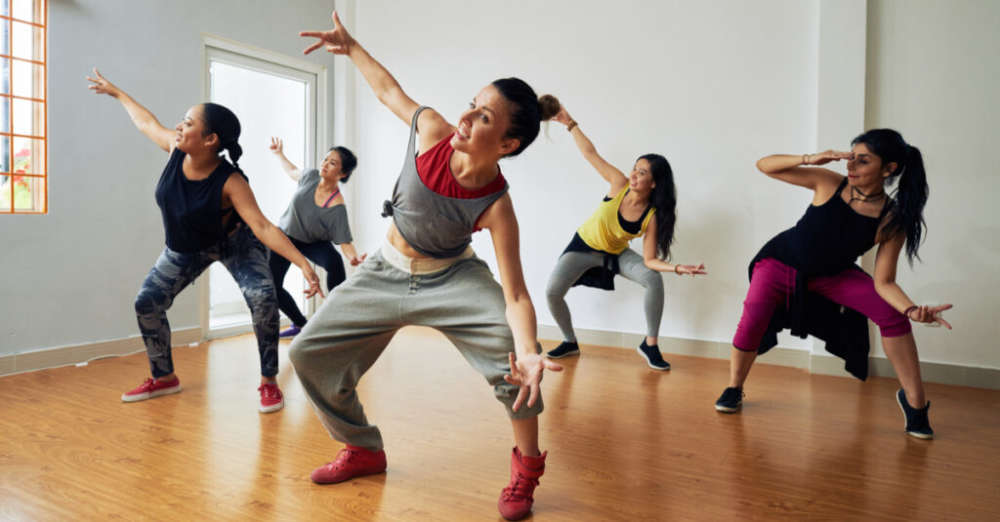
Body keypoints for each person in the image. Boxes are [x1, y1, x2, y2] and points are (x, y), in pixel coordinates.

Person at [289, 12, 562, 520]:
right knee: (307, 352)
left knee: (517, 370)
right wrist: (351, 49)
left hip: (452, 277)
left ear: (507, 145)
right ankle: (363, 448)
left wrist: (528, 349)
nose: (466, 118)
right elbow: (389, 91)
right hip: (386, 269)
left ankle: (527, 467)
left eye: (484, 118)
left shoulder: (497, 203)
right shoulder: (433, 130)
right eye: (472, 106)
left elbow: (517, 294)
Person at [87, 69, 322, 413]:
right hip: (185, 248)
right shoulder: (175, 151)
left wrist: (303, 263)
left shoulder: (230, 181)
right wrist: (118, 93)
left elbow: (261, 225)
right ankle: (164, 377)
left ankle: (269, 381)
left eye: (187, 122)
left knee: (263, 298)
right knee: (147, 303)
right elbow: (146, 123)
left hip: (235, 244)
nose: (179, 127)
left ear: (210, 139)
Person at [715, 129, 952, 440]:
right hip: (780, 263)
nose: (850, 167)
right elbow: (764, 165)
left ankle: (916, 404)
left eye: (862, 161)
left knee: (892, 314)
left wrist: (910, 310)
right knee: (754, 317)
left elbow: (884, 281)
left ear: (889, 169)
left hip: (833, 274)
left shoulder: (892, 219)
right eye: (851, 159)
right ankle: (734, 387)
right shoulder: (828, 183)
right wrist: (810, 158)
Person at [544, 104, 706, 369]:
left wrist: (676, 268)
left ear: (653, 183)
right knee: (552, 292)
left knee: (652, 279)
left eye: (642, 173)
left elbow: (651, 260)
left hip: (615, 254)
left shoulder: (651, 215)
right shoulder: (618, 184)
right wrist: (570, 123)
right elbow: (590, 153)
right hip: (583, 247)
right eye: (635, 168)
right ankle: (569, 341)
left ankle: (649, 344)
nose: (634, 174)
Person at [266, 137, 366, 338]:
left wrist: (352, 257)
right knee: (271, 285)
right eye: (325, 159)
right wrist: (279, 154)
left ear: (342, 173)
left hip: (313, 243)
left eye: (332, 163)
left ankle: (338, 319)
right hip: (285, 237)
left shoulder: (337, 205)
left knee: (335, 262)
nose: (325, 164)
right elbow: (292, 171)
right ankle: (301, 325)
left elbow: (344, 241)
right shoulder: (311, 176)